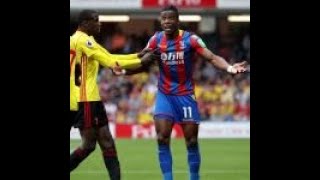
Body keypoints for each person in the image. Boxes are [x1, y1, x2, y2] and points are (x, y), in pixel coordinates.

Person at [112, 5, 247, 180]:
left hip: (185, 96)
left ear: (177, 20)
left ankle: (194, 177)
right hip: (165, 95)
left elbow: (212, 57)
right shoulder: (155, 40)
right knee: (162, 138)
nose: (167, 21)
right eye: (163, 18)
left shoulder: (190, 40)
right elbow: (141, 61)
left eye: (170, 18)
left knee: (191, 141)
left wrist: (229, 67)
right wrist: (122, 70)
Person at [69, 9, 155, 180]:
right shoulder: (83, 40)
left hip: (91, 98)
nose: (99, 23)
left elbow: (108, 56)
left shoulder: (83, 40)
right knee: (88, 145)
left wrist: (137, 55)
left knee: (107, 142)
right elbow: (109, 62)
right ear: (85, 23)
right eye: (95, 20)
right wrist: (140, 61)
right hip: (84, 98)